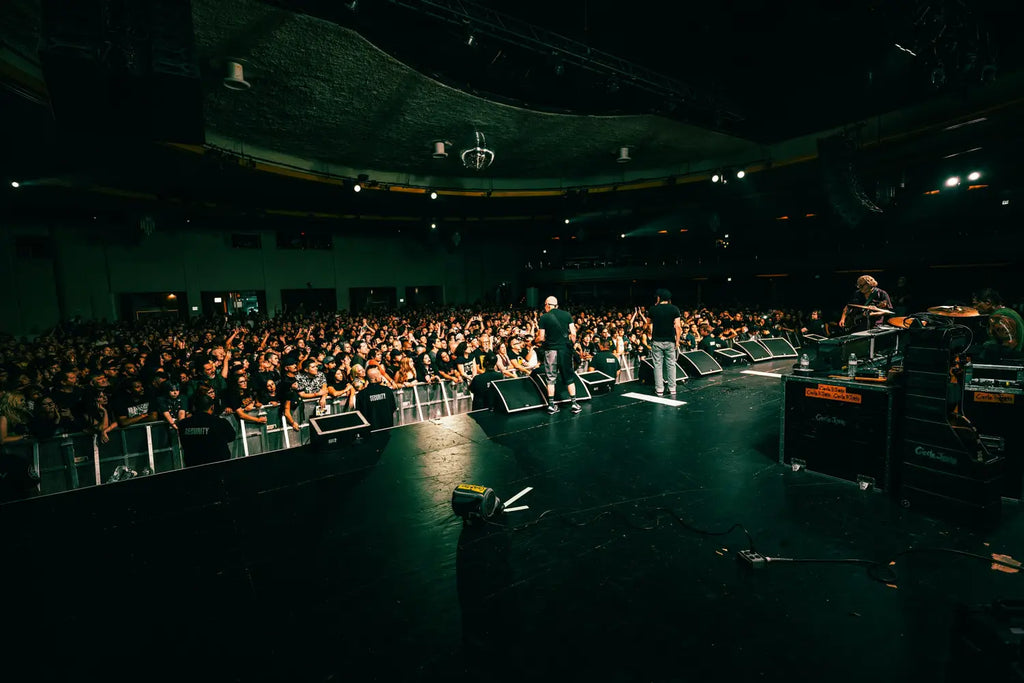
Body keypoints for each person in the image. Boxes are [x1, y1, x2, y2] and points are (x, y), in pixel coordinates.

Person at [535, 296, 581, 415]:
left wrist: (534, 341)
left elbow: (540, 337)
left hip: (551, 351)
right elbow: (574, 334)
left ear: (547, 305)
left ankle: (551, 405)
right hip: (564, 350)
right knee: (569, 377)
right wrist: (569, 344)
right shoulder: (567, 315)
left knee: (550, 378)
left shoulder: (544, 317)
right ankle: (574, 404)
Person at [176, 393, 236, 467]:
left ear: (194, 407)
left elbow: (184, 442)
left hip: (193, 467)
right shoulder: (221, 422)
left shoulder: (183, 424)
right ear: (212, 407)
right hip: (219, 466)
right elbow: (232, 437)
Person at [648, 289, 682, 397]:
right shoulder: (674, 309)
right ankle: (672, 388)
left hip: (657, 341)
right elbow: (678, 327)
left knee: (657, 366)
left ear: (659, 298)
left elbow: (648, 325)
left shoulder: (653, 309)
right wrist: (677, 341)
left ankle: (659, 390)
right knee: (671, 364)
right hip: (670, 341)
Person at [973, 288, 1024, 361]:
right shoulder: (1008, 311)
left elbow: (1010, 344)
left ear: (988, 302)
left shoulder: (996, 317)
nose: (974, 307)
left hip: (1011, 360)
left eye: (976, 304)